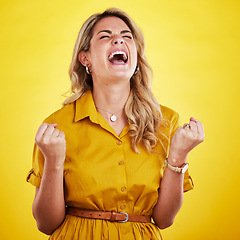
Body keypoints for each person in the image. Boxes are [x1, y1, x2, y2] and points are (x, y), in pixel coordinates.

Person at [26, 8, 204, 240]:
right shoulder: (56, 127)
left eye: (126, 36)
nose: (118, 39)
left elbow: (164, 219)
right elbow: (46, 224)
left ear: (136, 57)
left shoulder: (167, 123)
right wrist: (53, 161)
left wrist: (179, 156)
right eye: (105, 36)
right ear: (85, 58)